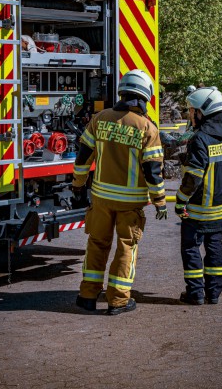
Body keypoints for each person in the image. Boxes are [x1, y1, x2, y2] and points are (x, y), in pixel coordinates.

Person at [72, 69, 166, 316]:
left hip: (101, 198)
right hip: (130, 204)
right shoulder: (147, 128)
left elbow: (83, 158)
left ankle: (88, 295)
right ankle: (118, 301)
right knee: (126, 248)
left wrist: (78, 185)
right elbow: (153, 172)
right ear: (145, 96)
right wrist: (160, 202)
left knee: (97, 243)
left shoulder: (99, 119)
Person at [175, 87, 222, 305]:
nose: (191, 115)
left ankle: (196, 293)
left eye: (193, 111)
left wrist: (180, 201)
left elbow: (193, 178)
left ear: (203, 112)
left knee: (190, 247)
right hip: (221, 209)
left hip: (198, 209)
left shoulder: (200, 139)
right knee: (215, 248)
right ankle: (214, 293)